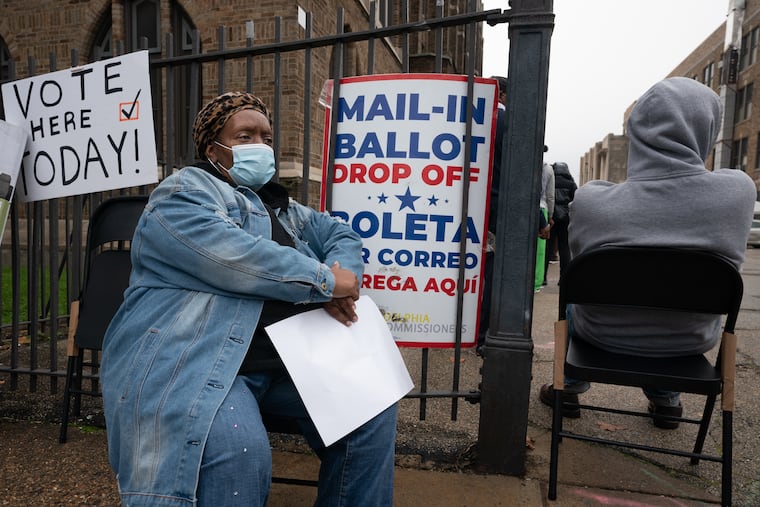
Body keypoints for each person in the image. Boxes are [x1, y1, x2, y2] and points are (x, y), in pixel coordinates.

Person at [100, 91, 398, 506]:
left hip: (285, 362)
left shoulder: (284, 210)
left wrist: (340, 274)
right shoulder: (182, 192)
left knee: (371, 408)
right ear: (212, 149)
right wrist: (324, 282)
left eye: (266, 136)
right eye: (245, 136)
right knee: (239, 450)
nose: (260, 144)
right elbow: (232, 255)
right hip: (203, 362)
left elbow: (340, 234)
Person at [539, 77, 756, 429]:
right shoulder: (738, 193)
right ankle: (666, 398)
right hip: (689, 342)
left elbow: (579, 261)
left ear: (637, 131)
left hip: (600, 336)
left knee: (575, 296)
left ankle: (572, 385)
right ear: (707, 128)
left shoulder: (594, 200)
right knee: (670, 309)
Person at [547, 161, 576, 281]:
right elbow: (576, 202)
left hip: (551, 218)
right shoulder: (571, 184)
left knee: (548, 248)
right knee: (564, 248)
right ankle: (563, 278)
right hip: (566, 219)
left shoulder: (552, 182)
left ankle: (543, 278)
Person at [535, 155, 554, 292]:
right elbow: (550, 195)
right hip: (542, 207)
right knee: (540, 251)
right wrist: (550, 215)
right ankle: (536, 283)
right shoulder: (548, 169)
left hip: (526, 207)